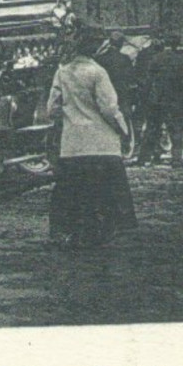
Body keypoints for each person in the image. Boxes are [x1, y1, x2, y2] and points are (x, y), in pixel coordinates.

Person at [46, 27, 137, 247]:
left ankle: (70, 231)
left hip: (73, 144)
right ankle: (102, 233)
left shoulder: (63, 72)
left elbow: (52, 109)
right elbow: (109, 108)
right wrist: (123, 131)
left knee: (71, 191)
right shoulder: (97, 72)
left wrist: (67, 120)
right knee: (104, 192)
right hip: (101, 143)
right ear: (95, 48)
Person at [138, 36, 183, 166]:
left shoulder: (156, 59)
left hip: (156, 100)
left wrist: (145, 99)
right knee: (176, 130)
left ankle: (145, 158)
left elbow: (149, 82)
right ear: (176, 45)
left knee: (152, 129)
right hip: (175, 101)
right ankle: (177, 158)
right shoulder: (182, 61)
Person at [94, 29, 136, 135]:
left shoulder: (100, 58)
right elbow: (131, 77)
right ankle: (126, 140)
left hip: (104, 93)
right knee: (125, 118)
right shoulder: (125, 58)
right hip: (121, 93)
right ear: (121, 43)